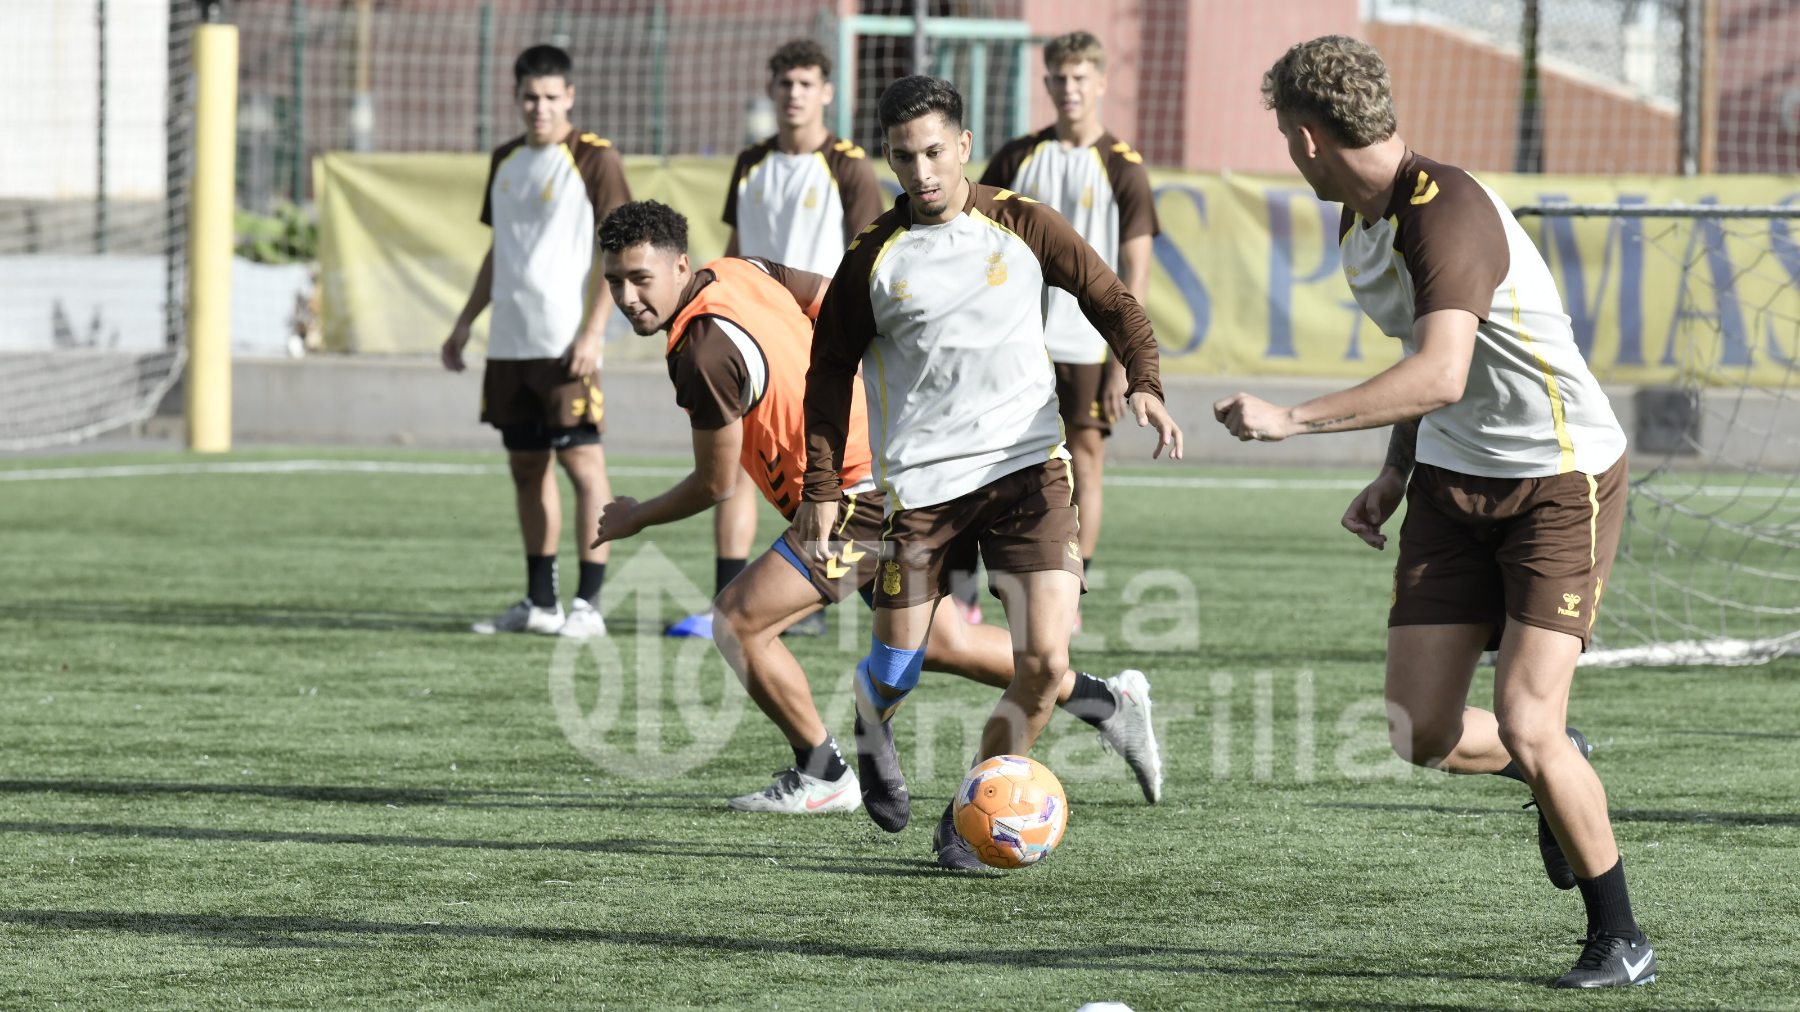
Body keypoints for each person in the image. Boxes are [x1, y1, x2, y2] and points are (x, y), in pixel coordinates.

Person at [1213, 36, 1652, 989]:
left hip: (1556, 480)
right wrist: (1394, 472)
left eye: (1285, 138)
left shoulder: (1445, 211)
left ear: (1306, 137)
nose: (1288, 153)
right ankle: (1554, 763)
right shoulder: (1360, 218)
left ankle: (1621, 937)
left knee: (1526, 719)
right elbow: (1432, 373)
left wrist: (1292, 418)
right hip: (1452, 483)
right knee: (1419, 732)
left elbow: (1443, 371)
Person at [592, 200, 1163, 868]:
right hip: (883, 470)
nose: (627, 297)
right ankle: (1106, 701)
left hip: (852, 499)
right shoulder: (741, 271)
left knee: (739, 622)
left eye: (640, 279)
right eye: (614, 282)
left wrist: (635, 516)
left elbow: (714, 484)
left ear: (678, 266)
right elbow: (832, 302)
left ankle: (822, 773)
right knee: (943, 645)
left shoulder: (702, 353)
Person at [799, 77, 1183, 865]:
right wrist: (821, 488)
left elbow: (1114, 302)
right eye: (903, 157)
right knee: (899, 669)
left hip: (1029, 474)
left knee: (1043, 663)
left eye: (934, 152)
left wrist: (1144, 381)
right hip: (922, 492)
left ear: (964, 145)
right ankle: (872, 717)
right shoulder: (873, 257)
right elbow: (828, 369)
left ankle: (970, 814)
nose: (921, 172)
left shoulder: (1023, 223)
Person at [665, 37, 887, 641]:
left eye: (806, 84)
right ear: (771, 90)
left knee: (825, 467)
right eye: (785, 83)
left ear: (827, 93)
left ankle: (811, 596)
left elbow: (867, 256)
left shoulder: (846, 164)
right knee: (738, 463)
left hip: (814, 341)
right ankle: (728, 596)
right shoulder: (751, 163)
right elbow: (736, 250)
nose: (794, 94)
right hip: (747, 336)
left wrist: (851, 338)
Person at [442, 44, 628, 640]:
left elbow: (619, 251)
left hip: (565, 344)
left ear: (569, 96)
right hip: (509, 345)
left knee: (582, 464)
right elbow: (501, 249)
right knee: (526, 467)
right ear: (516, 96)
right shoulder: (504, 159)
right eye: (530, 97)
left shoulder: (595, 158)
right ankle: (540, 602)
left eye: (551, 97)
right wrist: (465, 322)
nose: (539, 107)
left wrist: (594, 331)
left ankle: (589, 604)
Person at [980, 31, 1159, 625]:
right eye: (1059, 77)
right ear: (1046, 83)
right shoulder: (1017, 157)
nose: (1069, 88)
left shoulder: (1123, 166)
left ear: (1101, 83)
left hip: (1087, 344)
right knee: (1000, 458)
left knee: (1085, 460)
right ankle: (997, 583)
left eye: (1080, 77)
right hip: (1019, 341)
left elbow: (1135, 271)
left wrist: (1123, 360)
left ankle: (1072, 594)